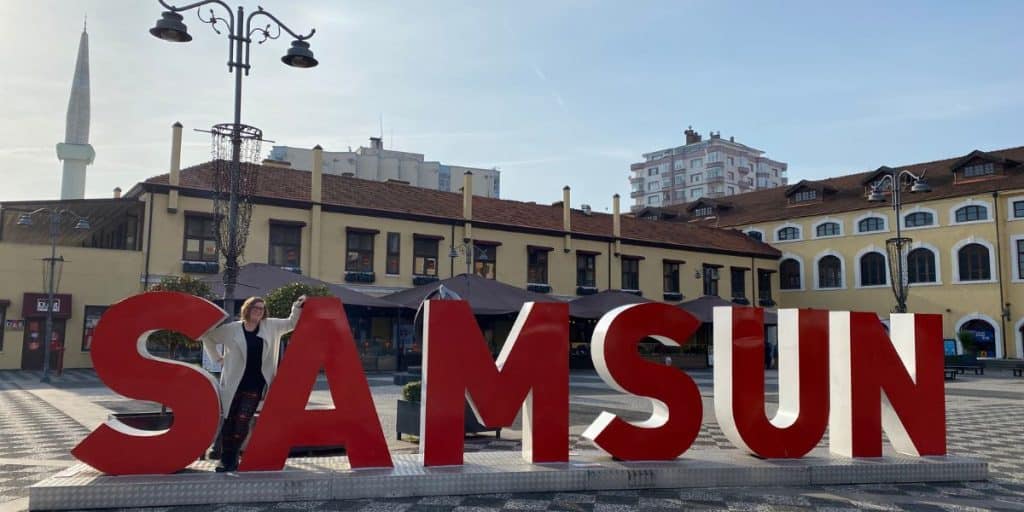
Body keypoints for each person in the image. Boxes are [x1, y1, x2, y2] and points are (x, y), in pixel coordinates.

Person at [201, 295, 305, 472]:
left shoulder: (271, 326)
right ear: (247, 309)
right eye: (255, 308)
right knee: (229, 421)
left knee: (242, 421)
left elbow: (291, 323)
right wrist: (217, 358)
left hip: (255, 384)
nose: (259, 311)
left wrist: (297, 305)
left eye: (262, 308)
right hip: (233, 384)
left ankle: (232, 457)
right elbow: (208, 337)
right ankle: (226, 460)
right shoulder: (232, 329)